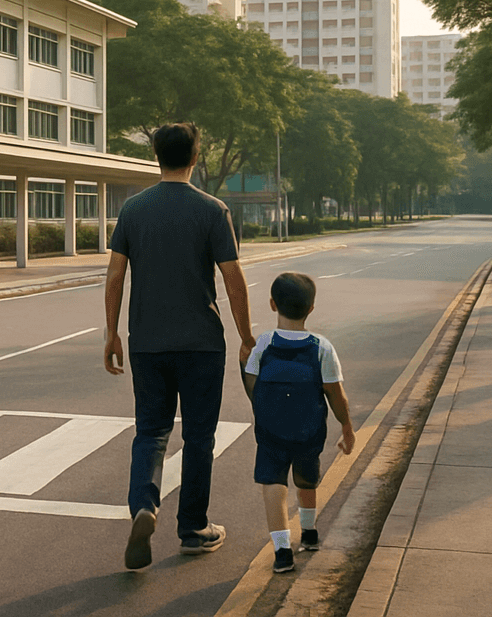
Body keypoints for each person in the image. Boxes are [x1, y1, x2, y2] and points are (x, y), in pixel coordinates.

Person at [103, 122, 256, 571]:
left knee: (150, 432)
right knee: (199, 437)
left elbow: (115, 276)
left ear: (156, 155)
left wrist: (111, 332)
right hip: (202, 345)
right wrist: (247, 336)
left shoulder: (133, 209)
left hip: (147, 343)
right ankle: (192, 529)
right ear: (196, 156)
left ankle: (144, 508)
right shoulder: (212, 210)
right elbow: (232, 277)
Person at [242, 272, 354, 574]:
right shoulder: (322, 347)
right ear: (311, 308)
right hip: (309, 432)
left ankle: (281, 551)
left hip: (270, 433)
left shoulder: (263, 344)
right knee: (306, 480)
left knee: (273, 486)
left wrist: (265, 404)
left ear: (272, 304)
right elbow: (335, 393)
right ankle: (309, 533)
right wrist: (347, 427)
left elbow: (252, 384)